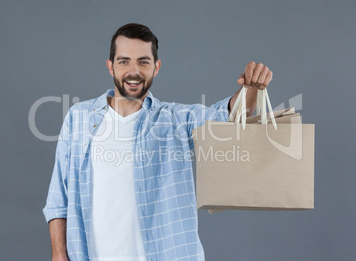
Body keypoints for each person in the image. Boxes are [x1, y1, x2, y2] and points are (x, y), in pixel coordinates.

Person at [43, 23, 273, 261]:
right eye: (124, 61)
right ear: (110, 67)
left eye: (143, 61)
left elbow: (227, 117)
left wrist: (250, 88)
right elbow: (59, 196)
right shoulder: (79, 118)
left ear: (156, 67)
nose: (134, 71)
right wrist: (59, 254)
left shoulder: (175, 120)